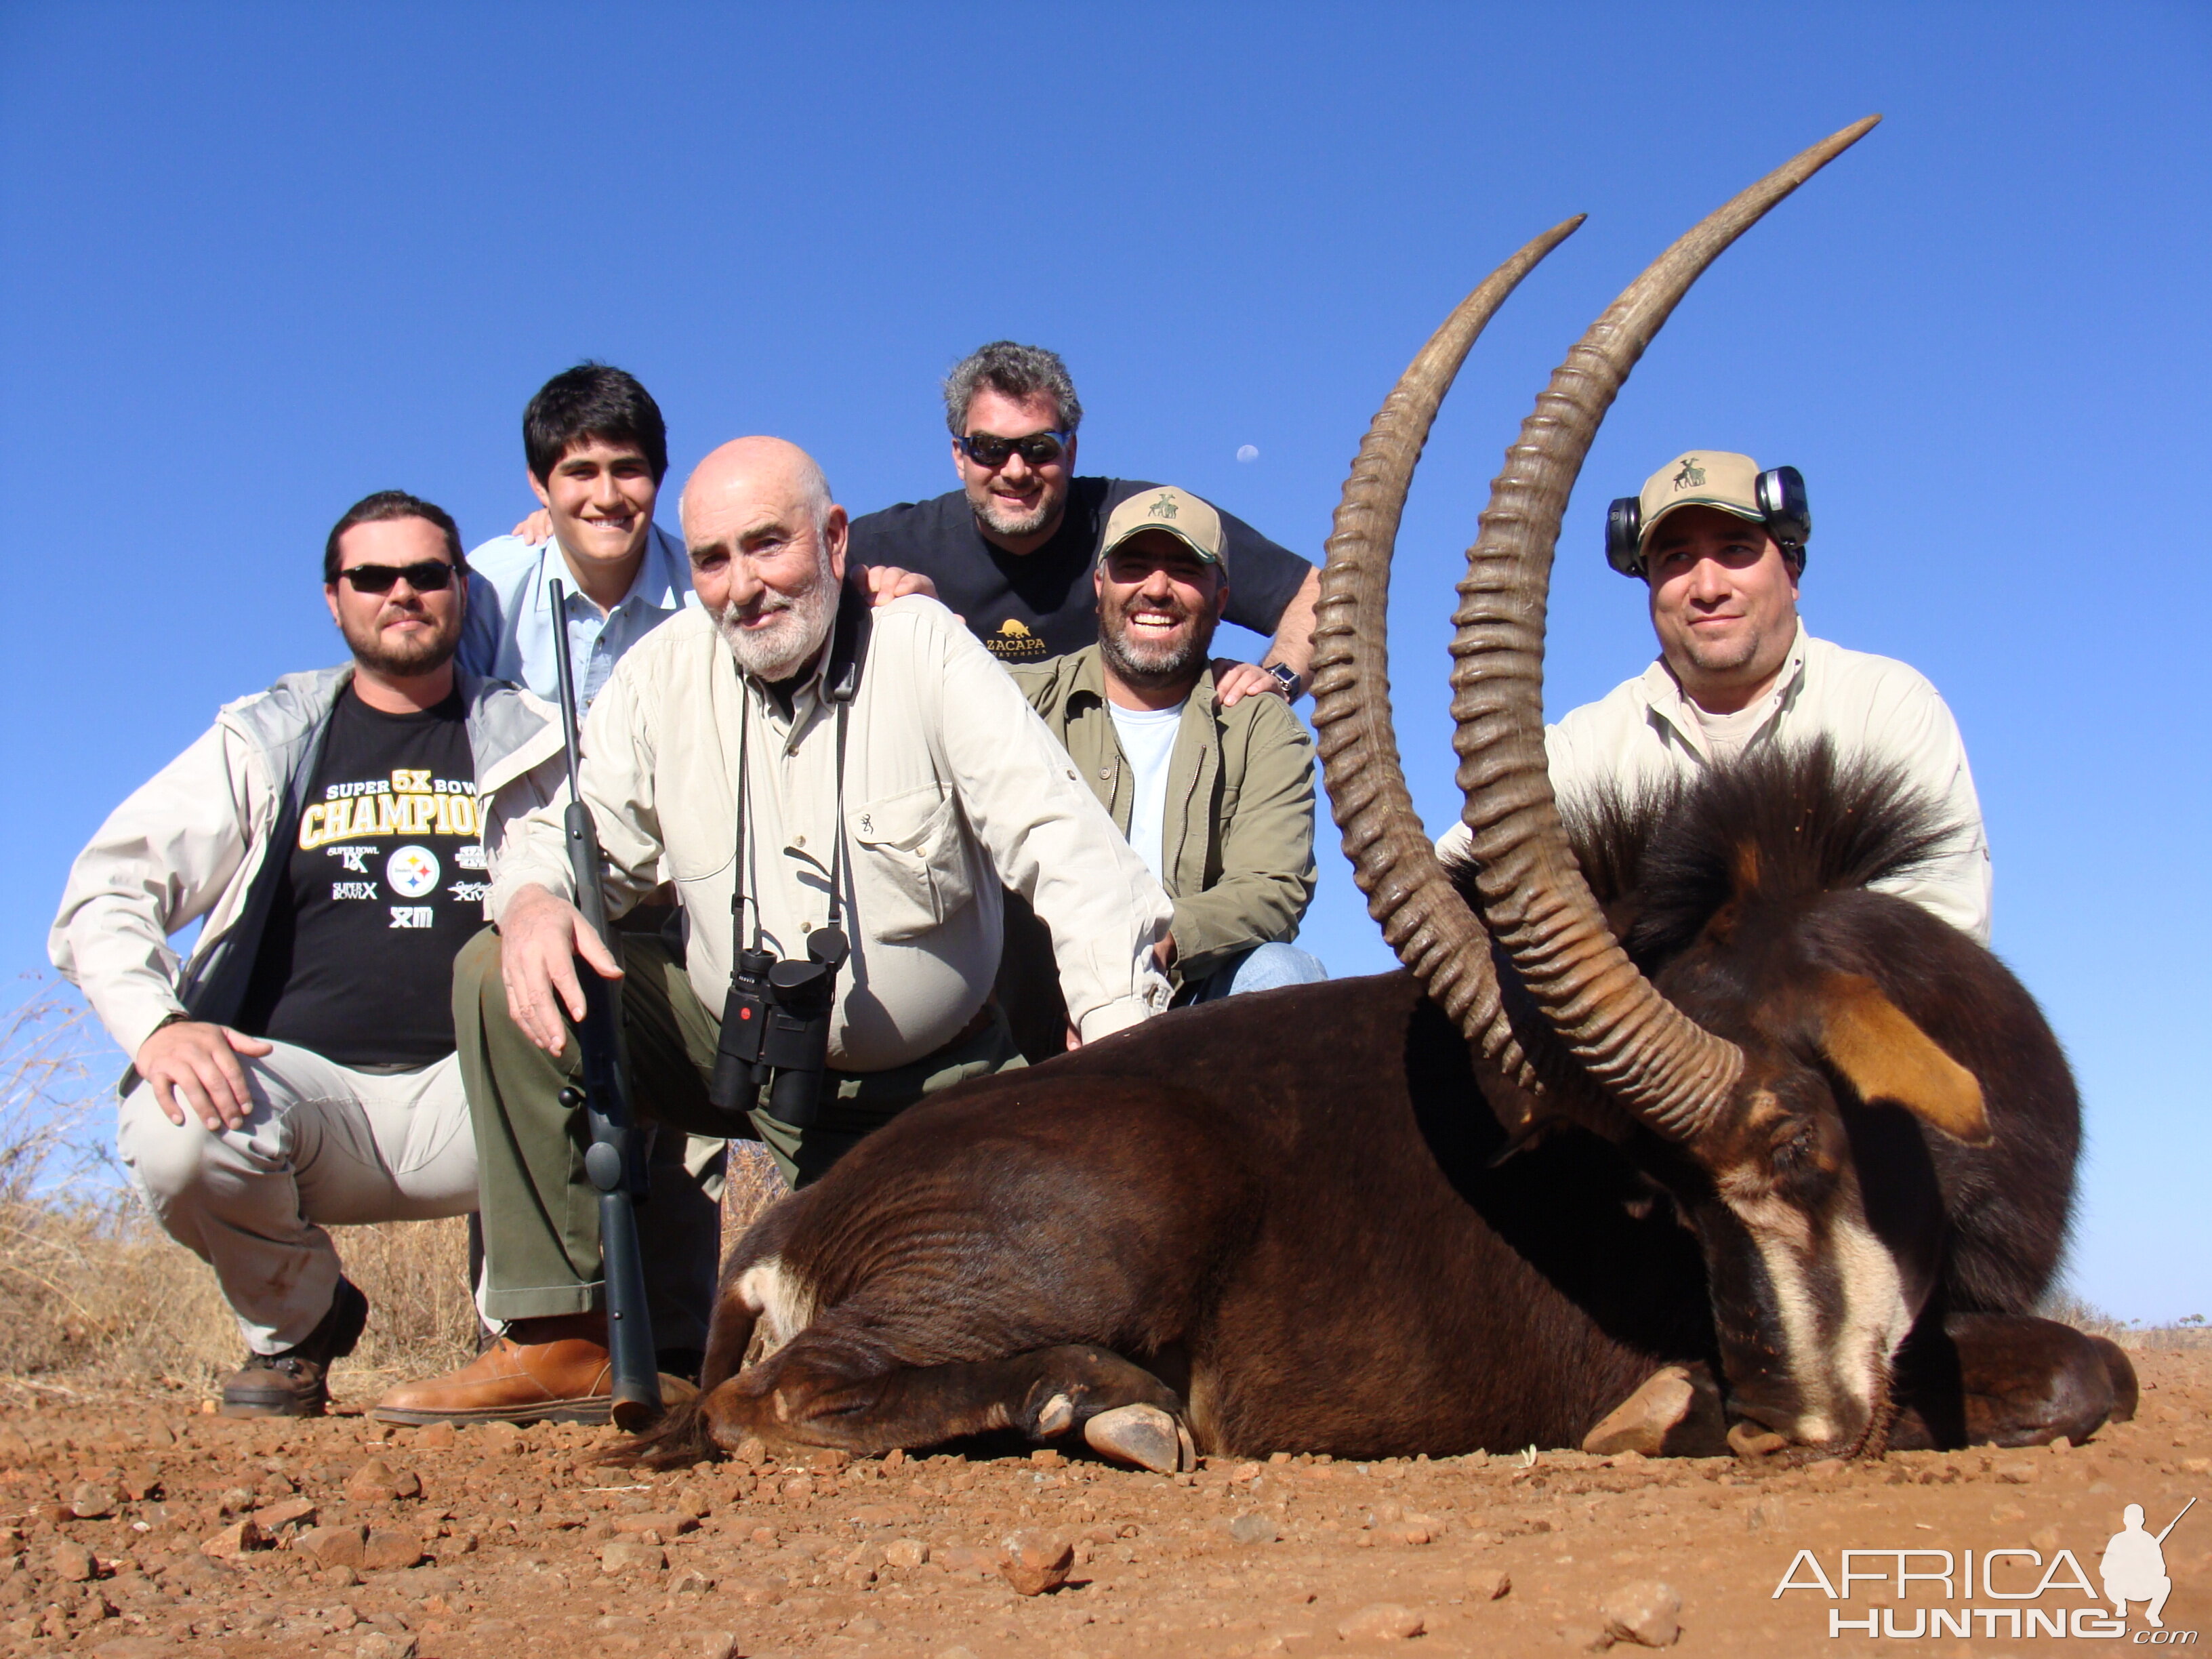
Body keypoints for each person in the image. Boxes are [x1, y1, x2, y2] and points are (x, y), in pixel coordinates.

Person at [371, 437, 1173, 1425]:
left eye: (768, 545)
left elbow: (1067, 845)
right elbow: (566, 839)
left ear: (835, 539)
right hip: (741, 1064)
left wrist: (1122, 1034)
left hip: (939, 1087)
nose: (744, 586)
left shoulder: (925, 647)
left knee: (932, 1323)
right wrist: (534, 898)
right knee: (503, 963)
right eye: (712, 559)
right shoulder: (664, 673)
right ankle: (559, 1343)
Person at [48, 491, 569, 1416]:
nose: (401, 593)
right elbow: (106, 889)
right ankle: (300, 1326)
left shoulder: (539, 738)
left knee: (608, 1027)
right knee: (174, 1125)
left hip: (478, 1097)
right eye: (373, 576)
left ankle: (536, 1335)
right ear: (334, 598)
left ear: (463, 590)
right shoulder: (267, 737)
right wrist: (162, 1026)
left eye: (427, 574)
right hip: (306, 1100)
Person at [1439, 450, 1991, 942]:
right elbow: (1445, 889)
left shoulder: (1885, 705)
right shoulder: (1583, 749)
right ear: (1650, 585)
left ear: (1792, 569)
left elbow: (1943, 931)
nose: (1707, 588)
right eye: (1676, 559)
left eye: (1735, 550)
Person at [1000, 485, 1323, 1055]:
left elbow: (1273, 887)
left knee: (1284, 977)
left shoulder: (1261, 726)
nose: (1156, 589)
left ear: (1221, 597)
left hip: (1184, 1008)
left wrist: (1152, 951)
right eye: (1134, 566)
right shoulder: (1015, 701)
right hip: (1032, 1006)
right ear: (1100, 585)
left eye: (1183, 569)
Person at [845, 341, 1321, 702]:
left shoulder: (1149, 528)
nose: (1015, 471)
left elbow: (1320, 593)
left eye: (1039, 448)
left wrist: (1277, 683)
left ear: (1071, 453)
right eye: (990, 449)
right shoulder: (890, 546)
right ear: (959, 456)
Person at [459, 363, 698, 719]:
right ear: (540, 485)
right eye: (581, 473)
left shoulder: (705, 594)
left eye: (627, 470)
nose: (607, 497)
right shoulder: (487, 589)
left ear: (659, 477)